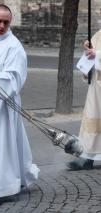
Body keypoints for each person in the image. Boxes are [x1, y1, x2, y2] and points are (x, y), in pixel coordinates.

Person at [0, 4, 40, 201]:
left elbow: (15, 78)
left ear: (10, 22)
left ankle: (4, 188)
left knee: (3, 147)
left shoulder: (14, 46)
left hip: (4, 104)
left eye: (6, 22)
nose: (1, 26)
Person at [67, 29, 101, 170]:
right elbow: (91, 54)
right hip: (96, 86)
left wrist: (97, 55)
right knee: (92, 119)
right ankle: (87, 156)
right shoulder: (99, 34)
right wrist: (88, 49)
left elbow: (97, 54)